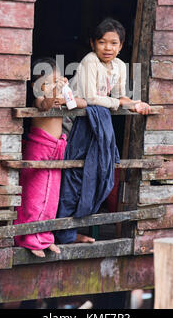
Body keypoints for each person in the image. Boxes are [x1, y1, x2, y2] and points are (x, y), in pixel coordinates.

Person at [55, 18, 152, 244]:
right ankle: (61, 232)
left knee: (88, 176)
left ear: (121, 45)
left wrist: (136, 103)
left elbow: (119, 97)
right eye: (102, 42)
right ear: (92, 43)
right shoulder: (90, 61)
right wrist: (117, 104)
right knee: (69, 175)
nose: (107, 48)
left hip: (90, 125)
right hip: (70, 124)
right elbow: (89, 98)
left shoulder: (119, 66)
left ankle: (72, 231)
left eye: (113, 43)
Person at [14, 57, 87, 258]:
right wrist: (49, 99)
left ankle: (45, 238)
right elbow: (43, 104)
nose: (52, 87)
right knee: (35, 198)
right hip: (39, 148)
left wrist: (65, 94)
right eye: (46, 84)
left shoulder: (63, 96)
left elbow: (81, 104)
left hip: (56, 150)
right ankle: (29, 238)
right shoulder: (38, 99)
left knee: (51, 199)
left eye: (56, 81)